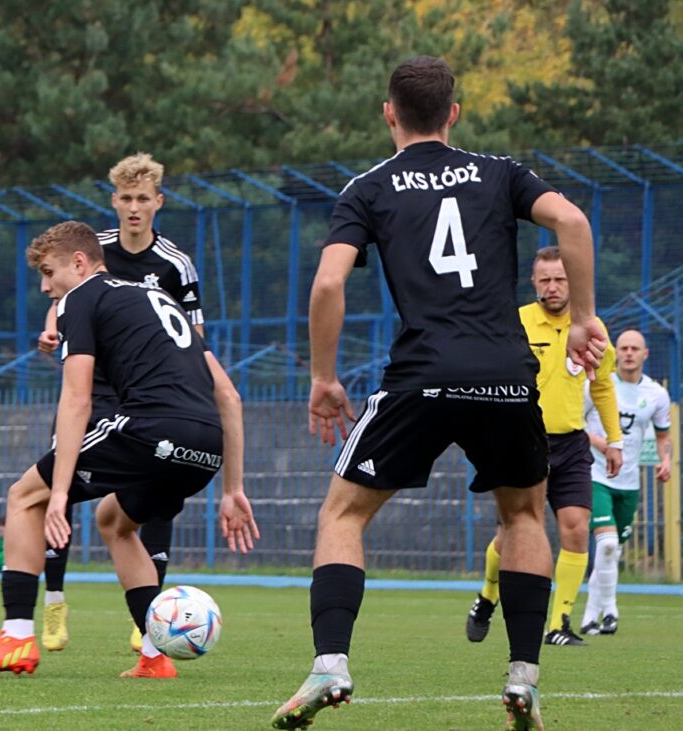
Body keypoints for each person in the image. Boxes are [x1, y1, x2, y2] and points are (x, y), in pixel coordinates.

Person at [269, 56, 604, 731]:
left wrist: (323, 377)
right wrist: (585, 318)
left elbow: (329, 284)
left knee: (342, 514)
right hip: (506, 376)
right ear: (452, 112)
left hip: (421, 374)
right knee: (520, 516)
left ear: (388, 112)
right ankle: (522, 675)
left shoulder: (367, 187)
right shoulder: (499, 172)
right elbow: (570, 221)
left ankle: (330, 663)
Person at [0, 221, 258, 680]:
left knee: (23, 496)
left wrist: (57, 493)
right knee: (114, 522)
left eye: (49, 272)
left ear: (79, 263)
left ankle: (15, 638)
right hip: (205, 446)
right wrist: (233, 488)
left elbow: (77, 399)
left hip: (149, 430)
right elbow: (229, 396)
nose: (45, 286)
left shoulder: (81, 297)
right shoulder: (158, 300)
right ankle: (154, 656)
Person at [36, 153, 205, 653]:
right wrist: (52, 332)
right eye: (125, 199)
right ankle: (55, 602)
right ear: (114, 202)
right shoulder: (95, 251)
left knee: (144, 501)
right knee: (51, 484)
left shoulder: (176, 265)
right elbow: (64, 297)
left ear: (159, 202)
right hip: (95, 387)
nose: (134, 208)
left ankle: (147, 620)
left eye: (142, 199)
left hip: (148, 400)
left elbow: (193, 336)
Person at [465, 246, 621, 648]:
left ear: (573, 281)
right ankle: (487, 597)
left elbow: (602, 386)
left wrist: (615, 440)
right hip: (521, 440)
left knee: (577, 529)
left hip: (571, 443)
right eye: (545, 279)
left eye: (560, 279)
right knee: (511, 534)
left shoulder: (592, 328)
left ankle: (558, 624)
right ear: (533, 281)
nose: (552, 287)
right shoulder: (515, 322)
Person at [579, 329, 671, 635]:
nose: (629, 353)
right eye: (623, 348)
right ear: (615, 352)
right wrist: (601, 444)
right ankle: (611, 611)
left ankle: (591, 617)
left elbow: (662, 435)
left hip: (629, 483)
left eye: (635, 348)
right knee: (606, 545)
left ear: (645, 354)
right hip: (596, 475)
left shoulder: (656, 394)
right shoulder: (599, 385)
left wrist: (666, 459)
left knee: (612, 550)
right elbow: (575, 422)